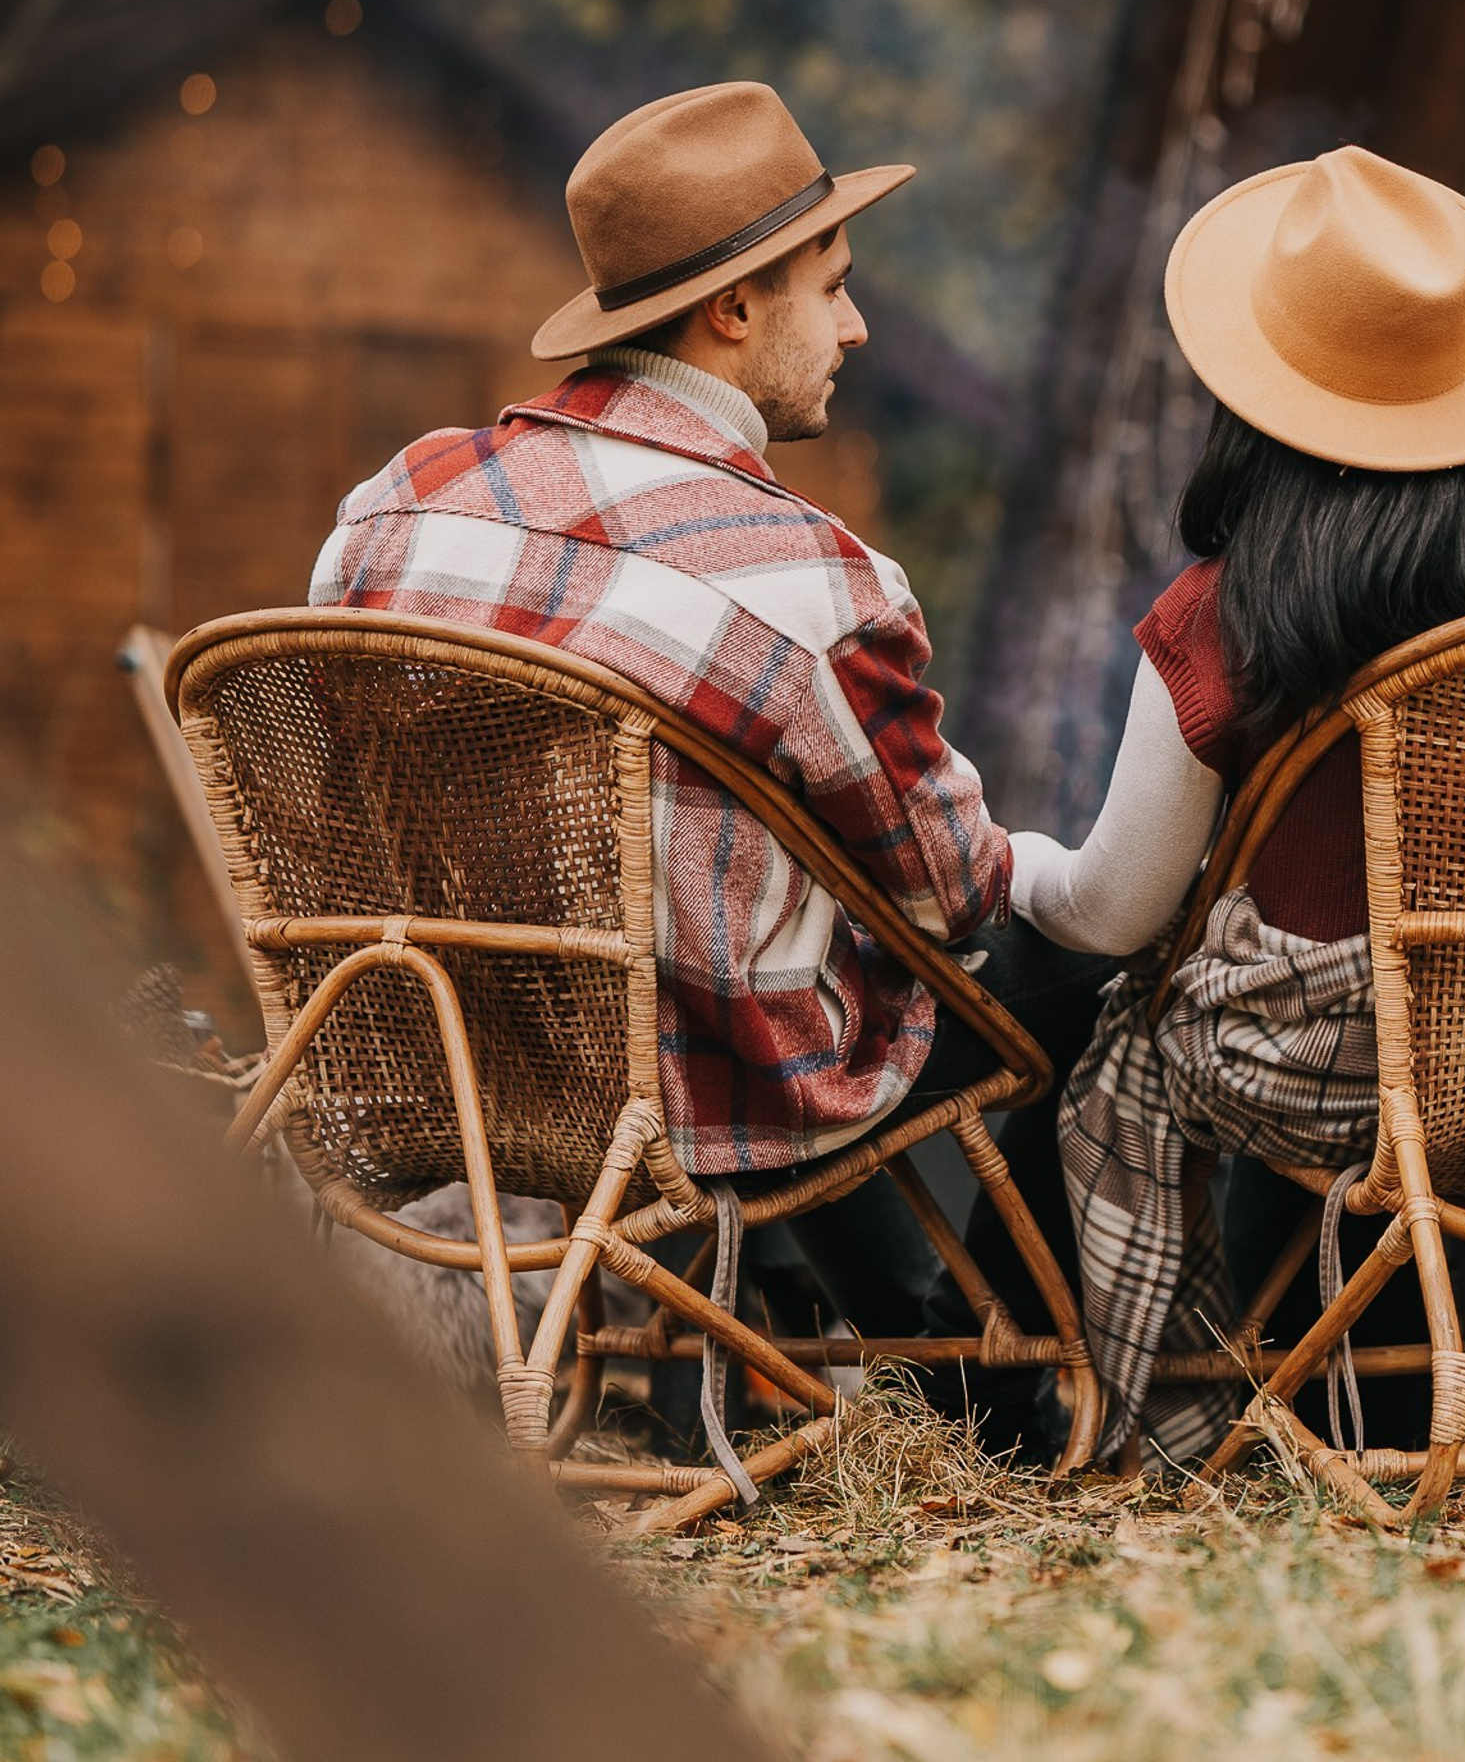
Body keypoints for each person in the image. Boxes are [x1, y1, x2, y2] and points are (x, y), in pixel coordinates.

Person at [312, 81, 1099, 1451]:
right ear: (733, 311)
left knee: (769, 936)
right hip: (698, 1096)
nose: (856, 326)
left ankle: (836, 1358)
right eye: (834, 287)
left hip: (443, 1053)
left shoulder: (391, 509)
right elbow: (950, 894)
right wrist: (1047, 875)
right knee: (1051, 962)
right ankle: (1007, 1405)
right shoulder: (810, 582)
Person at [1007, 144, 1465, 1465]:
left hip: (1358, 1088)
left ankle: (1189, 1412)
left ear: (1258, 390)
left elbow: (1115, 912)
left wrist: (1018, 868)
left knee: (1125, 1041)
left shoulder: (1222, 616)